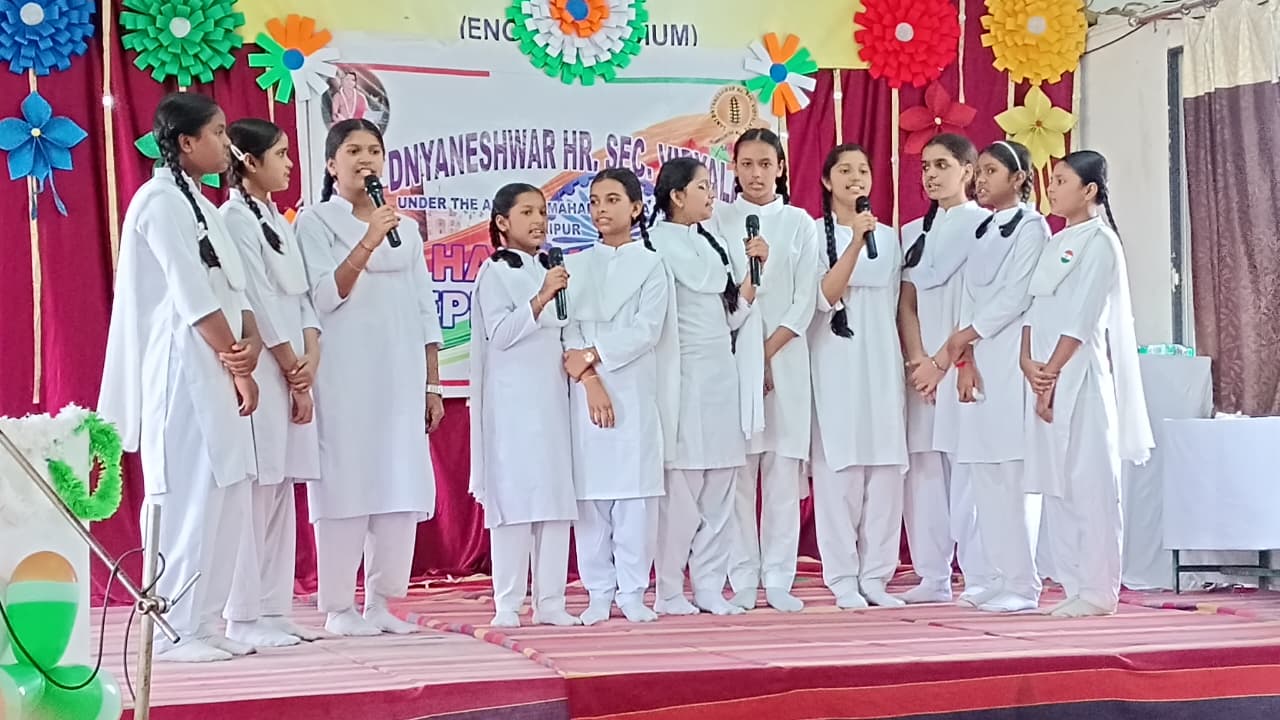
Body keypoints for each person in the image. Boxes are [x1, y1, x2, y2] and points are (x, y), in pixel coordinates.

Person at [99, 92, 260, 662]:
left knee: (226, 489)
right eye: (217, 133)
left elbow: (235, 289)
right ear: (186, 142)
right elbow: (192, 298)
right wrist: (237, 361)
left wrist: (246, 351)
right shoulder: (158, 202)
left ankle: (205, 620)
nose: (226, 144)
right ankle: (173, 626)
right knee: (188, 491)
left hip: (218, 366)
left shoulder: (204, 204)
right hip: (182, 370)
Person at [294, 119, 444, 636]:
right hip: (344, 376)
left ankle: (382, 601)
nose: (366, 160)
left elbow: (424, 308)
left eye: (374, 151)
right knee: (345, 484)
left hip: (400, 376)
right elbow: (323, 297)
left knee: (398, 485)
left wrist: (432, 383)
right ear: (331, 164)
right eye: (353, 151)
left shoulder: (405, 229)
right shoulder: (315, 222)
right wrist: (368, 240)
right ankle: (339, 607)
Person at [1023, 150, 1152, 618]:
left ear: (1089, 189)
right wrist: (1027, 363)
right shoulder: (1056, 240)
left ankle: (1098, 590)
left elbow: (1081, 319)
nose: (1051, 188)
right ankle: (1073, 582)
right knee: (1057, 484)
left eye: (1061, 180)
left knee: (1090, 483)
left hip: (1081, 379)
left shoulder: (1100, 243)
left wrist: (1051, 372)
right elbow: (1033, 308)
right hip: (1043, 376)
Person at [219, 118, 325, 645]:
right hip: (265, 366)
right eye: (280, 154)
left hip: (294, 367)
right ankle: (243, 615)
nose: (289, 164)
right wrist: (289, 365)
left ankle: (274, 608)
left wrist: (311, 355)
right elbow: (257, 300)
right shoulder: (234, 219)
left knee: (282, 487)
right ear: (249, 161)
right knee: (257, 489)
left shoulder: (277, 220)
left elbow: (301, 297)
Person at [648, 157, 767, 616]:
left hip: (721, 376)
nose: (711, 194)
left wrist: (754, 273)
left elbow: (730, 316)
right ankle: (669, 590)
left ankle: (710, 588)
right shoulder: (654, 244)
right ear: (677, 196)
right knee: (682, 493)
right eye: (701, 187)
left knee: (720, 487)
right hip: (681, 377)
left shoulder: (711, 241)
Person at [711, 128, 819, 613]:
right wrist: (748, 359)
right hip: (732, 358)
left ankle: (778, 576)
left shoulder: (799, 223)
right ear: (733, 168)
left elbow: (805, 299)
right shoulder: (716, 219)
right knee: (738, 473)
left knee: (781, 470)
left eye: (765, 164)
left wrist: (767, 357)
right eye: (747, 164)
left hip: (786, 358)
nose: (756, 174)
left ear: (781, 168)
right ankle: (741, 575)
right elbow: (717, 296)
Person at [561, 167, 676, 626]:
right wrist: (590, 378)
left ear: (635, 207)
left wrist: (593, 355)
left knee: (634, 497)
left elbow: (646, 330)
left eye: (611, 200)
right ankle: (597, 592)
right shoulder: (574, 266)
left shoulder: (651, 265)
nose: (600, 209)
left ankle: (632, 591)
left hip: (632, 387)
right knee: (591, 497)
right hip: (586, 388)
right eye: (594, 201)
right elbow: (568, 328)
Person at [941, 141, 1049, 613]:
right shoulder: (982, 227)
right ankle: (996, 575)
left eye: (989, 171)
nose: (979, 180)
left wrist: (965, 335)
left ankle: (1024, 585)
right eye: (979, 171)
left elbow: (1017, 295)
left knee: (1011, 474)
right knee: (984, 473)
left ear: (1018, 178)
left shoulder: (1032, 227)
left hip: (1010, 358)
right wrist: (964, 359)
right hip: (980, 358)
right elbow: (970, 296)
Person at [469, 183, 579, 628]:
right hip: (513, 407)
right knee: (514, 502)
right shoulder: (495, 272)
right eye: (528, 212)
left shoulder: (549, 268)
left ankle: (550, 601)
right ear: (502, 222)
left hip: (553, 402)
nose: (539, 221)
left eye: (543, 212)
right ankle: (508, 603)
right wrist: (541, 297)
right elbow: (500, 334)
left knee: (554, 500)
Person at [897, 133, 996, 606]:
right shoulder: (912, 232)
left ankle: (978, 576)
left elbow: (981, 304)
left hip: (962, 365)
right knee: (924, 472)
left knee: (967, 470)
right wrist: (918, 360)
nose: (931, 175)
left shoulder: (986, 227)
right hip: (922, 371)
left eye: (942, 165)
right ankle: (933, 576)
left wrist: (948, 362)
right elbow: (907, 302)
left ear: (968, 171)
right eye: (925, 166)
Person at [809, 144, 908, 609]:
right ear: (827, 180)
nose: (856, 178)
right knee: (839, 471)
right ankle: (842, 577)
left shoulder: (887, 238)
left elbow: (896, 303)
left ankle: (876, 576)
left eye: (863, 170)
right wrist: (853, 241)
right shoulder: (813, 235)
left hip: (881, 361)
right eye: (845, 170)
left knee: (885, 471)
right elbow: (824, 296)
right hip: (834, 361)